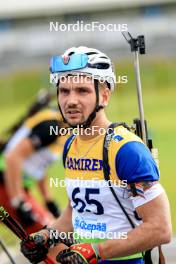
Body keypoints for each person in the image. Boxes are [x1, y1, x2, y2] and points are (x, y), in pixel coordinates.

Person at [20, 46, 172, 264]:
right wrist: (48, 235)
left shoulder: (126, 149)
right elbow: (77, 212)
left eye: (82, 91)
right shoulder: (71, 144)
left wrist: (96, 250)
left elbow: (160, 228)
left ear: (105, 96)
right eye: (64, 91)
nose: (71, 100)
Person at [0, 103, 66, 233]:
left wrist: (48, 200)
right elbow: (12, 157)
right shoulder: (51, 127)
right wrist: (18, 202)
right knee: (51, 237)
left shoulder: (63, 130)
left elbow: (40, 164)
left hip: (14, 187)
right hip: (5, 185)